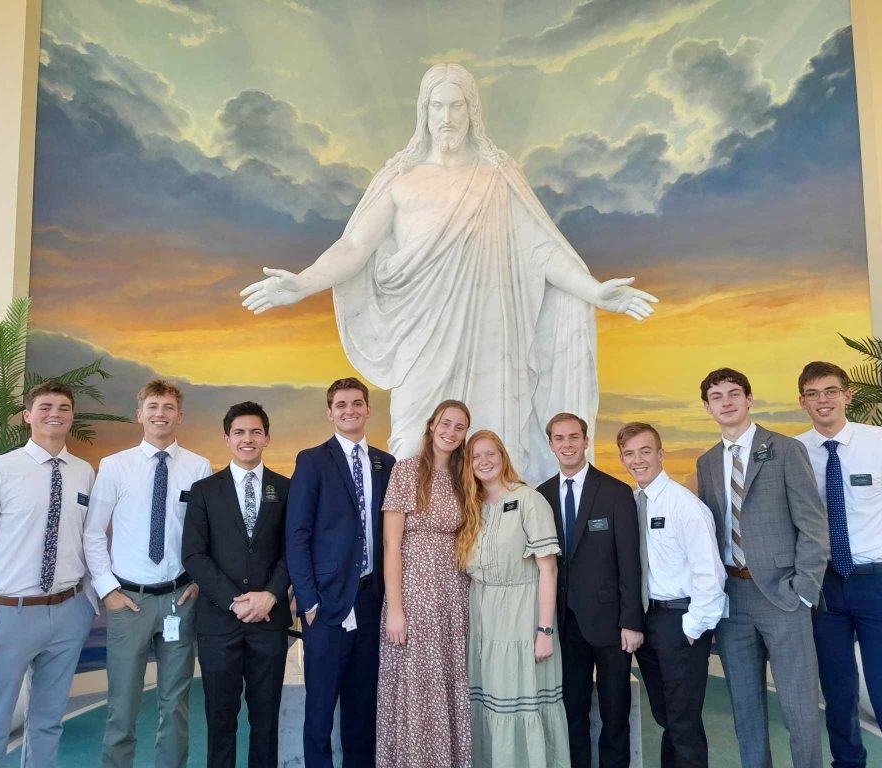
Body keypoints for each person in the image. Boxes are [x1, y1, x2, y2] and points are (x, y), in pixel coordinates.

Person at [240, 63, 657, 484]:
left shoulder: (496, 176)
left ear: (472, 110)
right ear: (423, 112)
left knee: (492, 448)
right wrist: (304, 282)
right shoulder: (401, 178)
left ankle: (497, 545)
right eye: (437, 106)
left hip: (491, 335)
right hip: (420, 335)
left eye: (456, 105)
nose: (447, 117)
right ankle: (410, 546)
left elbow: (541, 249)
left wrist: (595, 291)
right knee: (412, 447)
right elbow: (355, 245)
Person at [795, 361, 882, 768]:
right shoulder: (795, 451)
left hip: (880, 586)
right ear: (802, 401)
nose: (823, 400)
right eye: (813, 393)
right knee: (837, 695)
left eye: (831, 391)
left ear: (847, 395)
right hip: (825, 588)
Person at [0, 382, 98, 767]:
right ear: (27, 415)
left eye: (64, 407)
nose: (56, 413)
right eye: (45, 406)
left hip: (68, 613)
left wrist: (87, 605)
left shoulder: (84, 473)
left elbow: (89, 542)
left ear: (72, 416)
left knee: (48, 724)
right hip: (8, 617)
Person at [695, 368, 828, 768]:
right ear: (708, 407)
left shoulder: (785, 450)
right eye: (717, 397)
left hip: (783, 596)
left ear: (749, 399)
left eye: (734, 393)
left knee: (799, 707)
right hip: (733, 600)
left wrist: (803, 589)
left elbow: (813, 526)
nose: (726, 402)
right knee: (746, 708)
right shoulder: (706, 463)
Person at [86, 379, 211, 768]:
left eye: (169, 407)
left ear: (180, 416)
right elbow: (92, 533)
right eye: (153, 406)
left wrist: (197, 583)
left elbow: (206, 534)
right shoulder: (114, 466)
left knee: (175, 706)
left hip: (180, 600)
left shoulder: (199, 466)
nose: (161, 413)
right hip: (128, 602)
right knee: (122, 706)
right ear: (139, 413)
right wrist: (108, 591)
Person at [286, 377, 395, 768]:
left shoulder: (386, 463)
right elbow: (297, 535)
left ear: (368, 410)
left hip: (371, 601)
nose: (350, 410)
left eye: (357, 403)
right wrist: (309, 600)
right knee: (320, 711)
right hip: (327, 605)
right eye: (342, 404)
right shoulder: (312, 460)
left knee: (363, 708)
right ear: (330, 412)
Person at [181, 401, 291, 768]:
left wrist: (271, 595)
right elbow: (194, 556)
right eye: (240, 433)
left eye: (255, 432)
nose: (248, 439)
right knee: (220, 719)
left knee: (266, 721)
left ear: (267, 438)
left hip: (268, 624)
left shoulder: (287, 489)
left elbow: (293, 551)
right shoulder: (204, 491)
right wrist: (234, 600)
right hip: (218, 625)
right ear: (227, 439)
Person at [535, 413, 643, 768]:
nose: (567, 444)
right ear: (550, 443)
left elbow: (630, 561)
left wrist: (632, 620)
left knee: (615, 712)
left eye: (574, 437)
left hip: (611, 624)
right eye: (559, 438)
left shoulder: (615, 492)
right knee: (571, 710)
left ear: (585, 441)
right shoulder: (541, 495)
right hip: (563, 624)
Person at [617, 422, 726, 768]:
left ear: (660, 454)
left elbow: (709, 571)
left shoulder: (684, 506)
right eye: (629, 454)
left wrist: (694, 628)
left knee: (683, 721)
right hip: (647, 623)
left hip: (680, 621)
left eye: (645, 451)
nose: (638, 460)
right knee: (666, 716)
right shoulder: (632, 503)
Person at [459, 430, 570, 768]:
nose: (484, 461)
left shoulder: (528, 500)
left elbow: (548, 570)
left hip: (522, 618)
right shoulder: (472, 507)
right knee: (487, 704)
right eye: (476, 456)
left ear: (502, 456)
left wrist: (544, 631)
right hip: (482, 619)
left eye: (490, 453)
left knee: (519, 703)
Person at [377, 400, 472, 767]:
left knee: (449, 681)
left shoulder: (465, 478)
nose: (450, 431)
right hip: (413, 593)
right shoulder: (406, 471)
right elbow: (391, 544)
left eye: (459, 426)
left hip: (454, 593)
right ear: (432, 426)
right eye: (445, 423)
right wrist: (396, 609)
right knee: (415, 684)